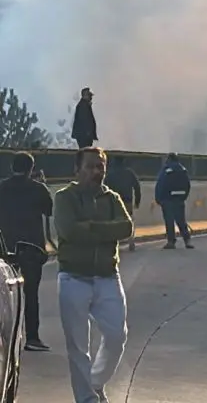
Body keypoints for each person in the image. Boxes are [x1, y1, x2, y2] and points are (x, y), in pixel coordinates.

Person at [55, 147, 134, 403]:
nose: (96, 171)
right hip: (73, 278)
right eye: (90, 166)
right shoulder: (65, 198)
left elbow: (126, 227)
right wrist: (105, 231)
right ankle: (87, 398)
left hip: (107, 276)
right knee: (78, 347)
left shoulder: (111, 198)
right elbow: (69, 231)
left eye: (100, 166)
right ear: (77, 170)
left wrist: (89, 227)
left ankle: (96, 382)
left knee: (117, 335)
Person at [0, 151, 54, 351]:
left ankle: (5, 338)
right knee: (31, 293)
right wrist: (43, 184)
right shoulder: (38, 188)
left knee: (4, 295)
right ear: (31, 168)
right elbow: (49, 211)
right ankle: (32, 337)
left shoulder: (2, 187)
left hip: (6, 247)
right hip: (32, 246)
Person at [155, 153, 193, 249]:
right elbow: (188, 185)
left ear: (169, 159)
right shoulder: (183, 170)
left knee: (169, 221)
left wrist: (159, 198)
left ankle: (171, 242)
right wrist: (184, 196)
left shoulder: (167, 170)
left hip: (168, 199)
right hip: (179, 199)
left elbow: (160, 184)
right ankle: (187, 240)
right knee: (181, 221)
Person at [104, 156, 142, 252]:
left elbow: (104, 188)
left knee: (113, 222)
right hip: (127, 201)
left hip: (113, 201)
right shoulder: (129, 173)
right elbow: (137, 188)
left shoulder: (109, 174)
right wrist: (137, 202)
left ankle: (114, 244)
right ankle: (131, 242)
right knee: (129, 221)